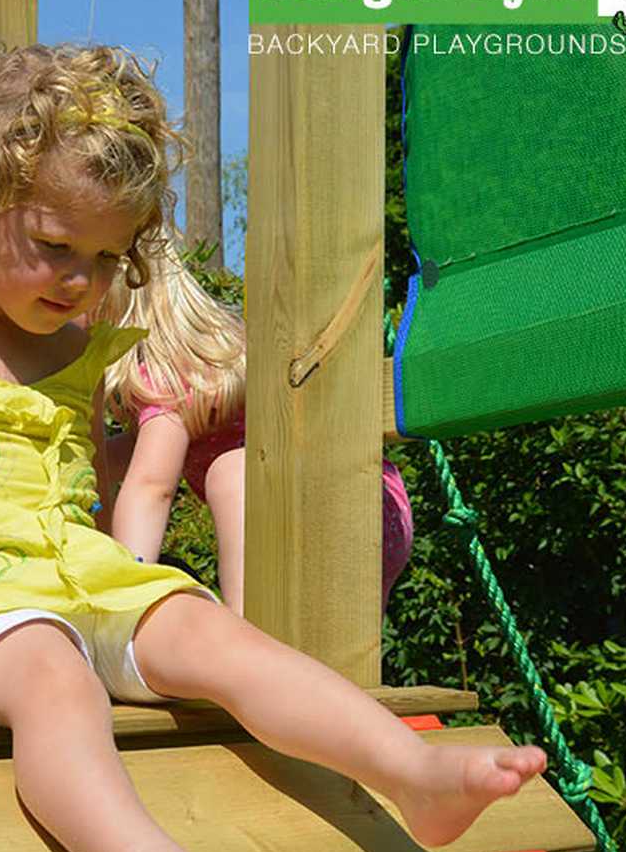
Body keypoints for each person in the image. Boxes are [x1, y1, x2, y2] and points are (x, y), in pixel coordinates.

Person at [0, 44, 546, 852]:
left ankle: (409, 770)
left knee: (214, 631)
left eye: (108, 258)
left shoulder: (78, 346)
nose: (82, 280)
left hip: (79, 580)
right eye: (57, 246)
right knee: (52, 675)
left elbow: (96, 485)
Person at [94, 246, 414, 614]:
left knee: (234, 473)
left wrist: (121, 601)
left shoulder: (165, 374)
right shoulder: (201, 365)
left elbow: (150, 486)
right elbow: (134, 455)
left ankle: (246, 632)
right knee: (325, 650)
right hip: (376, 509)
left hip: (349, 508)